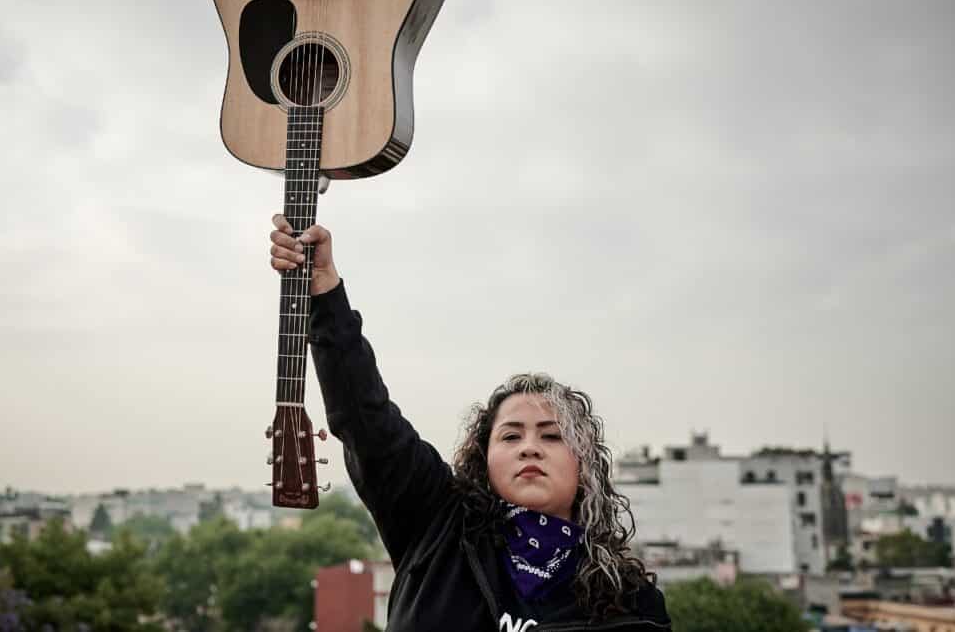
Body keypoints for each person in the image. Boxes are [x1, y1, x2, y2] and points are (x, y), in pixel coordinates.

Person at [269, 215, 671, 631]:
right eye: (511, 435)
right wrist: (324, 292)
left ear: (583, 464)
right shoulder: (436, 525)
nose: (529, 447)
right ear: (485, 456)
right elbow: (365, 418)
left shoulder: (629, 598)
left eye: (552, 436)